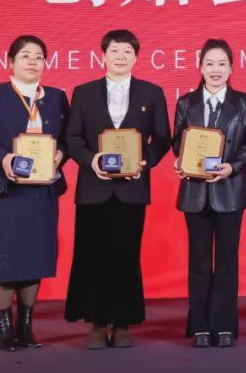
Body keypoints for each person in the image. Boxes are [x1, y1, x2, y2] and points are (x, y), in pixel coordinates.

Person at [63, 29, 171, 349]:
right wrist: (91, 160)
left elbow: (162, 138)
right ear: (103, 56)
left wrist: (144, 161)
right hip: (94, 187)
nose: (120, 57)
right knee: (92, 255)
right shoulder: (83, 92)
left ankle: (123, 323)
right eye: (114, 51)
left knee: (126, 255)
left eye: (127, 52)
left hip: (132, 188)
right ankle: (97, 323)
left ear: (136, 58)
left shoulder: (152, 93)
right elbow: (72, 137)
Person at [0, 35, 69, 351]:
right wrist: (4, 159)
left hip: (41, 190)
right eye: (25, 56)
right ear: (11, 62)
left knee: (34, 255)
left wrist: (61, 153)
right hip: (5, 188)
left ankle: (26, 327)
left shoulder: (56, 97)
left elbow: (68, 138)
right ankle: (4, 328)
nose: (32, 61)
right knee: (4, 258)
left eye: (39, 56)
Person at [171, 39, 246, 348]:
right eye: (209, 63)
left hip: (230, 190)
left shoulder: (244, 103)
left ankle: (223, 326)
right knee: (198, 260)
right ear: (200, 67)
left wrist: (233, 167)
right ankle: (199, 326)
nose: (216, 70)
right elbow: (177, 141)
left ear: (231, 68)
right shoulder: (186, 103)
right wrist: (180, 160)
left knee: (226, 260)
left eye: (222, 64)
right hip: (195, 192)